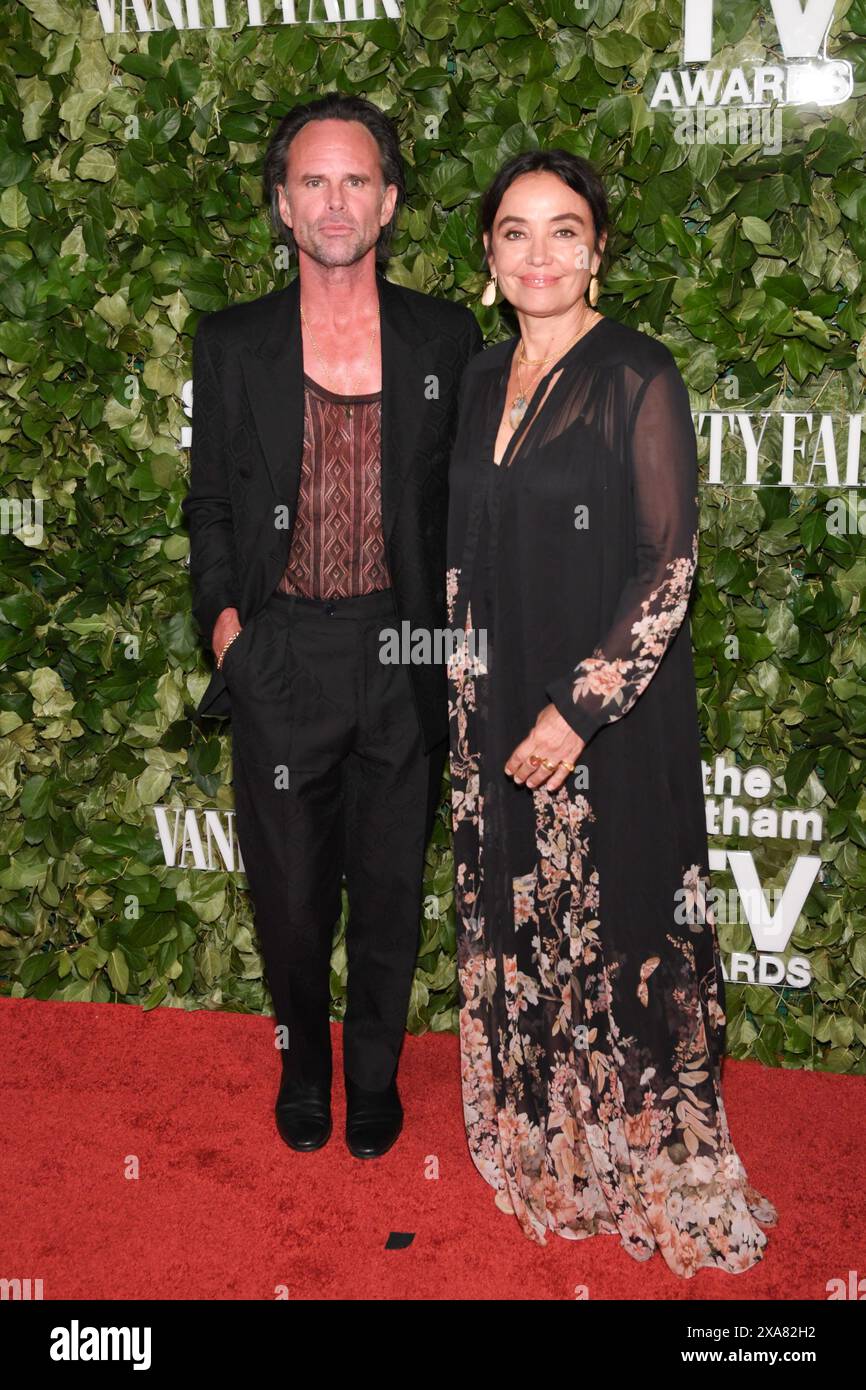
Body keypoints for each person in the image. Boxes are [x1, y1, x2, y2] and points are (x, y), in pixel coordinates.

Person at [445, 148, 778, 1277]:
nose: (540, 253)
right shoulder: (483, 376)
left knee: (621, 924)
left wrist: (576, 709)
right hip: (490, 706)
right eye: (515, 233)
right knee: (520, 920)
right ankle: (549, 1136)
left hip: (604, 716)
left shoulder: (638, 372)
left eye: (565, 231)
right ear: (487, 259)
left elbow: (666, 565)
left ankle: (640, 1149)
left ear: (599, 252)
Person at [183, 94, 482, 1159]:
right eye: (313, 180)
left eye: (356, 179)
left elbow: (466, 510)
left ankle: (371, 1076)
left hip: (401, 651)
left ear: (389, 200)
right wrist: (228, 630)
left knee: (391, 889)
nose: (335, 200)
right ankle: (302, 1062)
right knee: (293, 899)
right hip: (283, 651)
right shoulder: (233, 343)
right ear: (281, 204)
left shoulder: (444, 335)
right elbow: (211, 502)